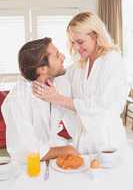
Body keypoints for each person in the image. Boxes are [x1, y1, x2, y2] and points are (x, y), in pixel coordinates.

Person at [33, 12, 129, 154]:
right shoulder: (79, 65)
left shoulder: (112, 61)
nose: (76, 47)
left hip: (107, 143)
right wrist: (34, 72)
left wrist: (57, 98)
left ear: (95, 36)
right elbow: (56, 76)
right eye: (73, 42)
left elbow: (102, 105)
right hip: (83, 143)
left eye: (80, 42)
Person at [2, 37, 80, 163]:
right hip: (29, 167)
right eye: (57, 55)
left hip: (53, 158)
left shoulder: (59, 85)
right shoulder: (16, 99)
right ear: (42, 69)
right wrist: (65, 150)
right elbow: (25, 148)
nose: (63, 57)